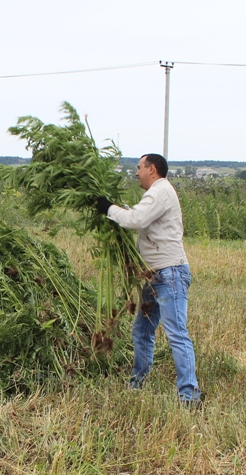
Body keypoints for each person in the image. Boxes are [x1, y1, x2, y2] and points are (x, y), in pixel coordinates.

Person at [96, 153, 201, 406]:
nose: (136, 173)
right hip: (154, 275)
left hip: (169, 274)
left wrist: (108, 208)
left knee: (176, 333)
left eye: (139, 167)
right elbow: (138, 214)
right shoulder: (156, 193)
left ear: (151, 169)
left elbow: (137, 219)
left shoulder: (160, 191)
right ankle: (137, 383)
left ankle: (189, 395)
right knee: (142, 329)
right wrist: (114, 208)